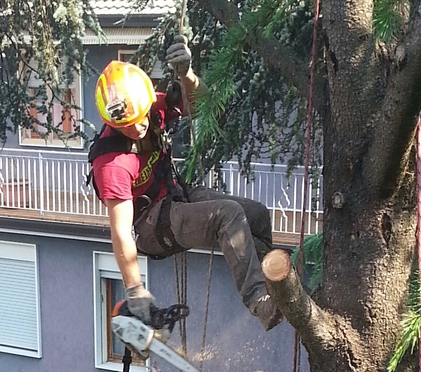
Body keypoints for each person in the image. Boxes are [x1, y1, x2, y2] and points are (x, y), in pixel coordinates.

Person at [90, 36, 283, 339]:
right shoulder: (111, 163)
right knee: (228, 214)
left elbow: (203, 105)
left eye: (141, 118)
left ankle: (275, 283)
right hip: (151, 226)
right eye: (128, 124)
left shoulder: (149, 107)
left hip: (174, 194)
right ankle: (260, 301)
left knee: (257, 214)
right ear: (112, 121)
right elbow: (121, 231)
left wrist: (187, 74)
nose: (139, 126)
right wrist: (134, 287)